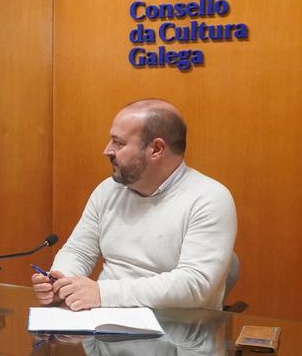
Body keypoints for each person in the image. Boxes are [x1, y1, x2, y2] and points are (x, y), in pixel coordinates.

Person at [32, 99, 237, 311]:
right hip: (103, 326)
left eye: (118, 143)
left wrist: (103, 293)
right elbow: (78, 251)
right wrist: (62, 282)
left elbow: (195, 285)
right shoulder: (108, 190)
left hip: (177, 334)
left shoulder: (209, 198)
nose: (107, 150)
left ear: (156, 149)